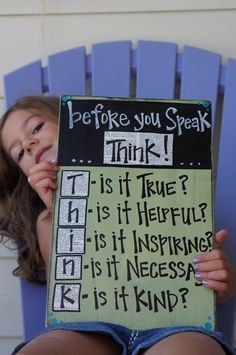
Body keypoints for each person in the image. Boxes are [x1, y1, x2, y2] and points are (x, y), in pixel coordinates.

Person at [0, 96, 235, 355]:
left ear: (77, 119)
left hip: (174, 322)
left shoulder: (169, 188)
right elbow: (68, 289)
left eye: (36, 127)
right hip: (91, 327)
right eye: (19, 152)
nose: (29, 144)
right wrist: (62, 208)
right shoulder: (47, 220)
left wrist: (221, 279)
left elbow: (209, 280)